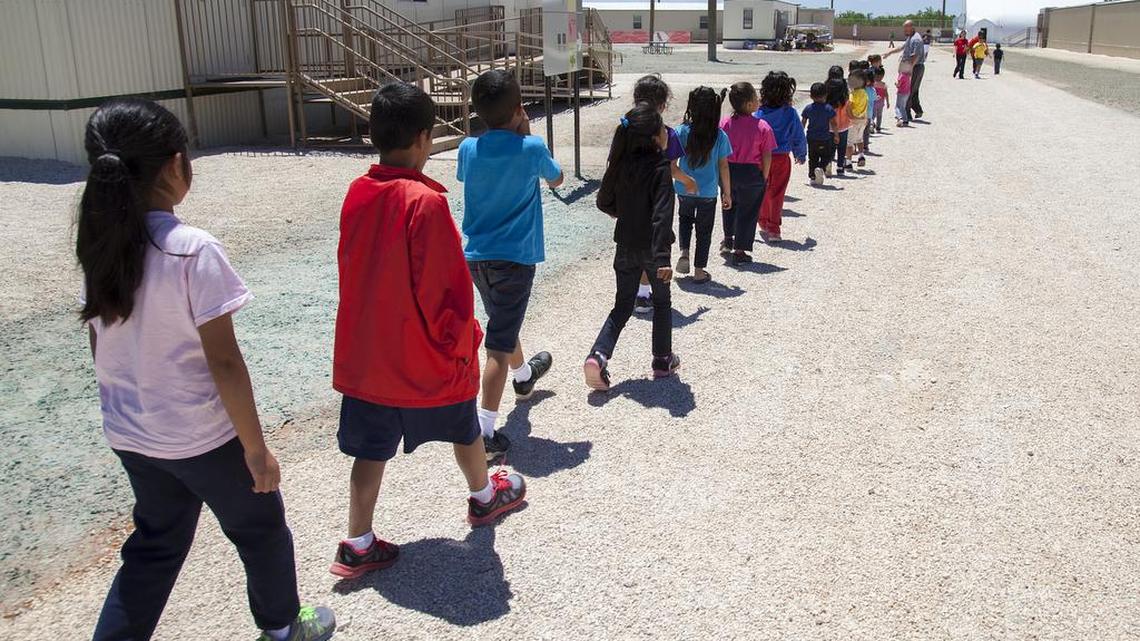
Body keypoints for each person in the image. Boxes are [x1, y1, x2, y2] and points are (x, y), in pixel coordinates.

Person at [77, 99, 336, 641]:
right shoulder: (191, 251)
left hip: (133, 434)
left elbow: (102, 343)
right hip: (201, 436)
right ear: (175, 166)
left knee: (153, 548)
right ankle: (284, 628)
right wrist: (255, 447)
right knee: (261, 530)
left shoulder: (101, 246)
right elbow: (223, 361)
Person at [332, 83, 528, 580]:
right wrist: (464, 345)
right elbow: (447, 293)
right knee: (463, 424)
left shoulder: (357, 192)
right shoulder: (425, 203)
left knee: (369, 450)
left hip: (369, 357)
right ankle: (484, 498)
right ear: (425, 138)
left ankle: (357, 542)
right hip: (423, 354)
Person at [457, 70, 562, 461]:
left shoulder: (468, 149)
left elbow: (467, 175)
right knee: (497, 346)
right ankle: (483, 433)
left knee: (502, 320)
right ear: (519, 109)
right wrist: (527, 134)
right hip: (515, 259)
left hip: (477, 257)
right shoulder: (532, 147)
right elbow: (556, 179)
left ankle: (524, 377)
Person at [585, 103, 680, 391]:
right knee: (662, 303)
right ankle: (662, 360)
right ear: (654, 137)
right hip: (654, 251)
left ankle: (598, 355)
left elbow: (604, 201)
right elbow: (662, 216)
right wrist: (663, 257)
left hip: (625, 244)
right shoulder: (661, 168)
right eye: (663, 129)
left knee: (622, 304)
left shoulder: (621, 164)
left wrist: (622, 212)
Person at [632, 74, 694, 313]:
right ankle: (644, 293)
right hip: (658, 198)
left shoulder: (625, 129)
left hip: (632, 196)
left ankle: (634, 290)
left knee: (634, 242)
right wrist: (688, 181)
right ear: (662, 105)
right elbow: (671, 167)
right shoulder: (667, 134)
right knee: (655, 243)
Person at [674, 86, 733, 283]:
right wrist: (727, 192)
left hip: (684, 188)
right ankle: (699, 270)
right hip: (708, 192)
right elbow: (724, 167)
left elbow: (671, 162)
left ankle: (684, 252)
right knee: (704, 231)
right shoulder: (719, 136)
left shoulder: (681, 131)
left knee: (684, 220)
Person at [721, 81, 775, 260]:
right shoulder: (762, 126)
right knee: (749, 211)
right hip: (751, 173)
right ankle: (740, 250)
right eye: (755, 97)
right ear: (749, 104)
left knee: (728, 205)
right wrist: (764, 177)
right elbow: (767, 155)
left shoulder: (725, 124)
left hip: (728, 171)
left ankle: (728, 239)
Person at [755, 71, 807, 244]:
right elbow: (798, 135)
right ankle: (774, 229)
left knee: (761, 191)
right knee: (777, 193)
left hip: (761, 159)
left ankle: (762, 221)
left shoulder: (758, 113)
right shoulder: (790, 113)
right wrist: (800, 153)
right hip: (781, 159)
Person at [884, 20, 926, 121]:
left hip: (914, 67)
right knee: (913, 90)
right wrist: (890, 53)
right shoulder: (910, 37)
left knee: (908, 90)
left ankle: (905, 114)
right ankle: (917, 110)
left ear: (911, 27)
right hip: (912, 66)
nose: (904, 30)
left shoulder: (916, 39)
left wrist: (908, 70)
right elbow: (902, 47)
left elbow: (915, 56)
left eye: (905, 28)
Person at [801, 81, 838, 186]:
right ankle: (821, 168)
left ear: (811, 96)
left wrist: (800, 136)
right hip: (825, 138)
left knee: (812, 157)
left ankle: (812, 177)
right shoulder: (828, 108)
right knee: (827, 156)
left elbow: (803, 123)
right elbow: (834, 123)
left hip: (811, 138)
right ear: (826, 95)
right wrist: (836, 135)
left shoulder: (808, 108)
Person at [826, 69, 851, 176]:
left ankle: (828, 164)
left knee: (830, 147)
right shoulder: (846, 101)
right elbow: (850, 113)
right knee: (842, 147)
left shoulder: (827, 102)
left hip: (830, 128)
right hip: (844, 127)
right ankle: (840, 167)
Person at [846, 69, 870, 169]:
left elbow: (849, 105)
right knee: (859, 139)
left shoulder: (853, 94)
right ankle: (861, 156)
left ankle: (848, 162)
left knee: (849, 142)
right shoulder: (864, 93)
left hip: (853, 120)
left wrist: (850, 116)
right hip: (863, 119)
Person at [873, 67, 890, 133]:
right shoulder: (884, 85)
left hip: (874, 102)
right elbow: (886, 94)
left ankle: (871, 125)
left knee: (873, 115)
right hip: (881, 103)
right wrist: (888, 102)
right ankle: (878, 127)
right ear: (883, 76)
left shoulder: (873, 84)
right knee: (879, 115)